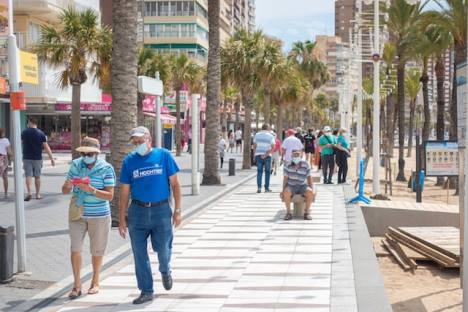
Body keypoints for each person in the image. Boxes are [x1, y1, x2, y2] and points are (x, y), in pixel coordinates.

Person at [118, 126, 182, 305]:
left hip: (161, 210)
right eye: (134, 143)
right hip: (137, 212)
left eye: (140, 141)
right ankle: (146, 290)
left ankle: (165, 269)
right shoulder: (129, 161)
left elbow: (175, 184)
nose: (137, 145)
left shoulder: (163, 156)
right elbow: (124, 192)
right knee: (139, 254)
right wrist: (122, 218)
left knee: (163, 250)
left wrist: (178, 210)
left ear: (149, 140)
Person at [61, 137, 116, 299]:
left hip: (99, 215)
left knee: (97, 250)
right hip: (78, 213)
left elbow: (110, 196)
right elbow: (64, 190)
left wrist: (92, 190)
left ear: (96, 153)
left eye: (89, 153)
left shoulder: (106, 168)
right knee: (75, 249)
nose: (86, 156)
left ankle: (95, 281)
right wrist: (67, 186)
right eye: (84, 153)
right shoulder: (76, 165)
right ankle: (77, 285)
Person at [22, 117, 55, 201]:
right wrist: (52, 158)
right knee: (37, 176)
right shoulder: (41, 134)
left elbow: (19, 144)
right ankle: (37, 194)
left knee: (28, 175)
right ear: (36, 123)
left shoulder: (24, 133)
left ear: (29, 122)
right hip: (37, 158)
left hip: (27, 157)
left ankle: (29, 192)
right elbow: (46, 147)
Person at [280, 148, 315, 221]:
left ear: (301, 156)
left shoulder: (306, 164)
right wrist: (283, 190)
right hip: (291, 185)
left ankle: (306, 213)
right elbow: (285, 178)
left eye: (297, 155)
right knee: (286, 192)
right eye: (294, 156)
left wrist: (312, 189)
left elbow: (309, 178)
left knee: (310, 192)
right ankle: (288, 213)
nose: (296, 157)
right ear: (292, 156)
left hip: (302, 185)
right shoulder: (287, 164)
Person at [253, 124, 275, 193]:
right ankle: (266, 188)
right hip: (267, 156)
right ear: (268, 128)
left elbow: (254, 146)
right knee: (267, 172)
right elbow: (273, 147)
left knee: (259, 171)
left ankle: (259, 187)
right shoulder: (270, 136)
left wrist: (254, 155)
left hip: (258, 155)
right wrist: (266, 154)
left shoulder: (257, 135)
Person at [0, 126, 13, 198]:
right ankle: (6, 193)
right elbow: (9, 152)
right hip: (4, 159)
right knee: (5, 177)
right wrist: (13, 155)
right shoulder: (6, 140)